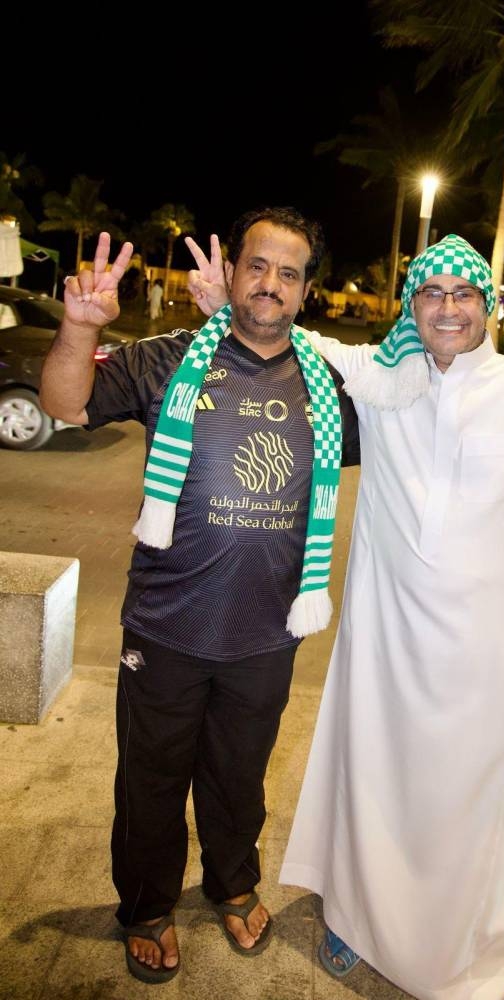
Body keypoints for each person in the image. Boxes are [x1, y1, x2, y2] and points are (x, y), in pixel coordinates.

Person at [187, 232, 504, 999]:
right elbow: (289, 336)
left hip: (486, 662)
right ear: (413, 306)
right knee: (375, 790)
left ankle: (453, 952)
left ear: (487, 305)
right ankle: (355, 921)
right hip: (387, 650)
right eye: (432, 293)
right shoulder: (381, 379)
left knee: (464, 816)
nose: (449, 307)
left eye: (465, 293)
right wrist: (226, 305)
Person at [38, 207, 360, 985]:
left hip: (267, 633)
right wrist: (79, 329)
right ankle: (147, 906)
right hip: (167, 625)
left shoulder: (330, 385)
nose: (271, 283)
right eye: (258, 265)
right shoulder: (168, 359)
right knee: (150, 780)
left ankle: (232, 883)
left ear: (306, 291)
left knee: (238, 776)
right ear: (233, 272)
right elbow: (65, 405)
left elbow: (418, 421)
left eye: (289, 273)